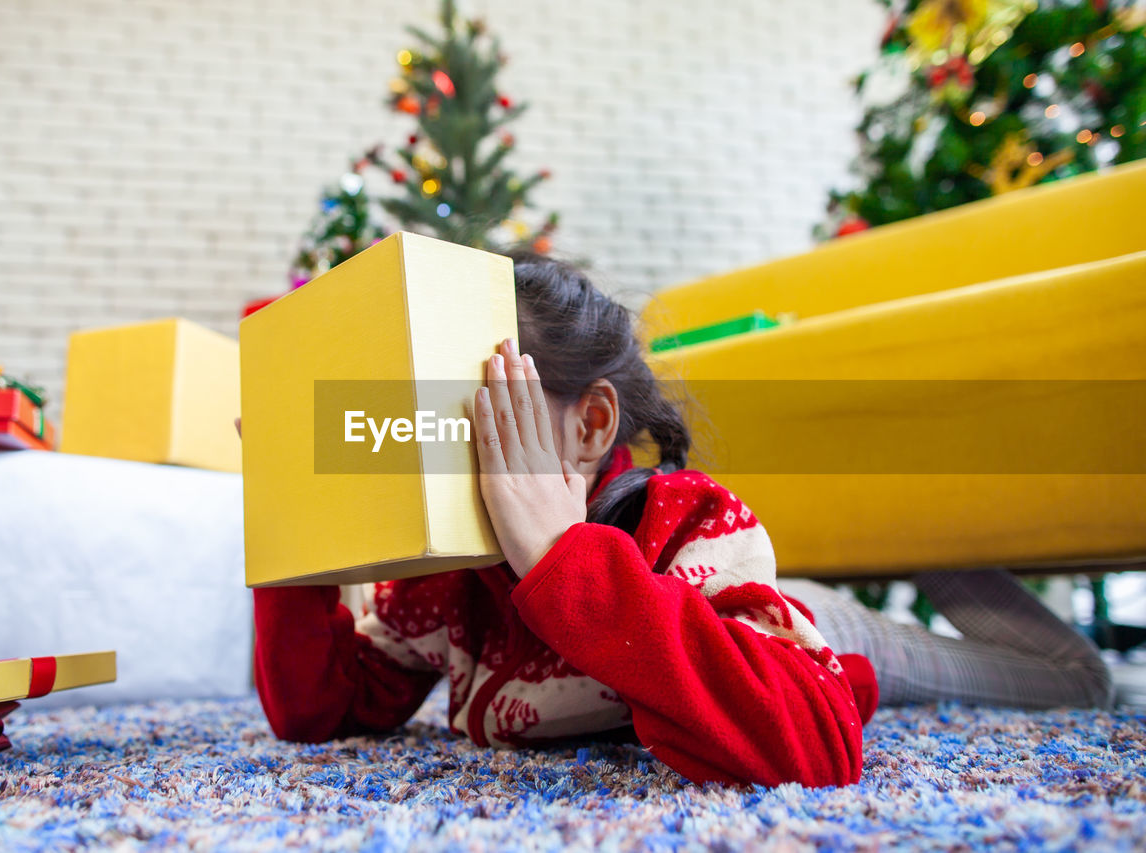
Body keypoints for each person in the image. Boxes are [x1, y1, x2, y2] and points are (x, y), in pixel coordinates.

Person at [252, 251, 1111, 789]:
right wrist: (295, 518)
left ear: (591, 426)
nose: (450, 444)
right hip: (715, 611)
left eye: (487, 416)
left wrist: (561, 556)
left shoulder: (685, 517)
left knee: (1078, 685)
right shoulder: (447, 581)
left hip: (779, 619)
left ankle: (940, 550)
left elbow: (816, 743)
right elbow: (323, 710)